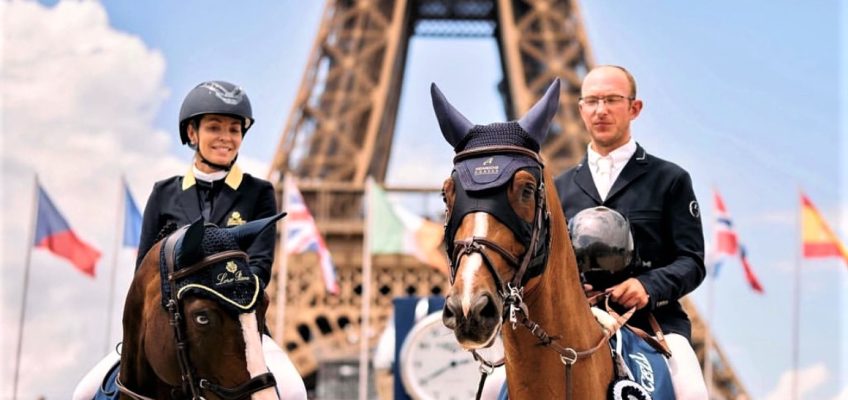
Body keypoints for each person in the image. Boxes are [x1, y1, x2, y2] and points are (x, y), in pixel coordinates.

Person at [73, 81, 307, 400]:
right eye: (215, 127)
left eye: (234, 129)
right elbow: (144, 272)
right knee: (83, 392)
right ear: (192, 134)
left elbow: (261, 267)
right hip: (173, 327)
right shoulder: (163, 193)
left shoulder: (259, 193)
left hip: (237, 330)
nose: (226, 137)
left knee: (294, 390)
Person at [554, 65, 709, 399]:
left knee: (692, 391)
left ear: (634, 108)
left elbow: (692, 261)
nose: (601, 110)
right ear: (580, 109)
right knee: (495, 384)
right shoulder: (557, 189)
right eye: (592, 101)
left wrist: (646, 286)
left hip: (653, 321)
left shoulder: (671, 180)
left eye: (612, 100)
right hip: (570, 322)